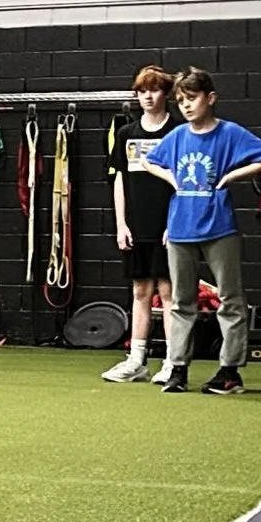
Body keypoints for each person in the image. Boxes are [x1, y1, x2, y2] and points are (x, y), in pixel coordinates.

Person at [145, 68, 261, 395]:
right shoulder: (177, 137)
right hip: (180, 230)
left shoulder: (230, 133)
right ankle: (177, 368)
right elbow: (150, 160)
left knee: (230, 299)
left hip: (219, 229)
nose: (186, 106)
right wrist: (171, 179)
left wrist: (233, 176)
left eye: (192, 98)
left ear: (210, 98)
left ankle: (229, 371)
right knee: (180, 302)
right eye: (180, 101)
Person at [102, 66, 181, 384]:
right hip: (136, 227)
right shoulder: (125, 133)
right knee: (140, 291)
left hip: (167, 228)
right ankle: (137, 360)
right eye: (142, 91)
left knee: (169, 293)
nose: (148, 96)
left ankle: (173, 362)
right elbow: (119, 179)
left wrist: (174, 223)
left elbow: (182, 182)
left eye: (154, 90)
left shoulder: (178, 132)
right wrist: (121, 224)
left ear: (166, 94)